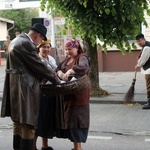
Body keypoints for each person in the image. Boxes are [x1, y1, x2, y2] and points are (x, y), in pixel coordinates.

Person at [0, 23, 60, 150]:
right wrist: (56, 80)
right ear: (38, 35)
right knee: (29, 124)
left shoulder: (16, 40)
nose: (40, 44)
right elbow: (39, 65)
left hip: (14, 86)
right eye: (41, 40)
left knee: (18, 122)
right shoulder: (27, 44)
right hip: (26, 88)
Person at [56, 39, 90, 150]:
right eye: (66, 49)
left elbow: (84, 67)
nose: (67, 52)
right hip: (68, 97)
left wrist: (71, 71)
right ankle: (76, 148)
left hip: (78, 98)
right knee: (71, 124)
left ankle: (78, 148)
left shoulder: (82, 57)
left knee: (77, 125)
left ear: (77, 48)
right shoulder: (67, 59)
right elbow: (58, 68)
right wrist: (60, 73)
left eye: (70, 49)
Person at [34, 39, 57, 150]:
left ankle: (45, 145)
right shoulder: (36, 59)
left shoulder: (51, 59)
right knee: (39, 120)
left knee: (46, 119)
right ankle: (33, 146)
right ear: (39, 48)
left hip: (50, 91)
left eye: (48, 47)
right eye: (44, 47)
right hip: (39, 92)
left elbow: (55, 72)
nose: (47, 49)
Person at [135, 33, 150, 109]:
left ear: (144, 39)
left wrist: (138, 65)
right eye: (137, 41)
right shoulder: (146, 46)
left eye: (139, 41)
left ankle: (149, 103)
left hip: (149, 71)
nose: (138, 43)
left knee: (149, 87)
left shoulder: (147, 47)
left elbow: (143, 60)